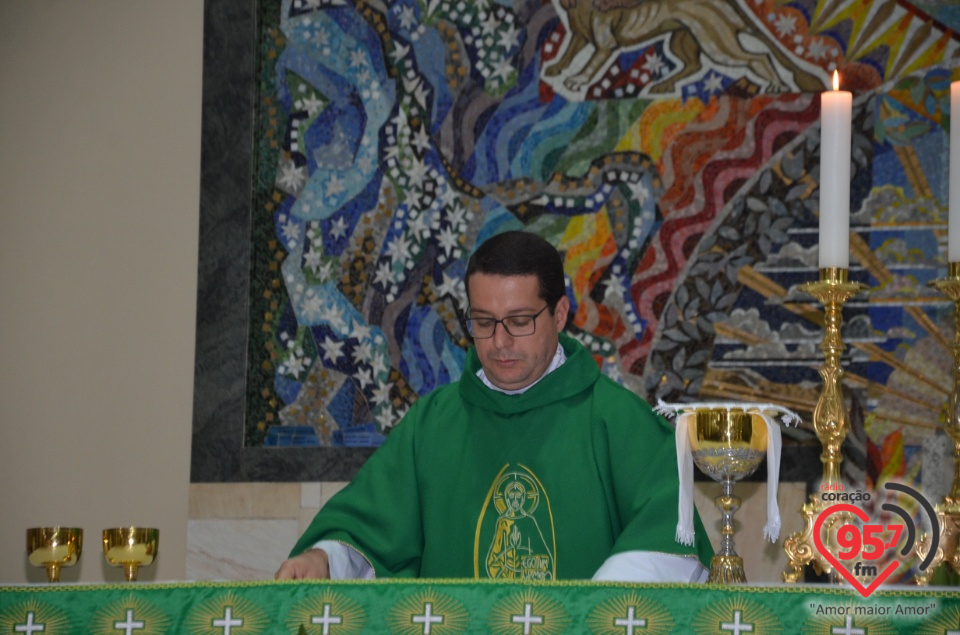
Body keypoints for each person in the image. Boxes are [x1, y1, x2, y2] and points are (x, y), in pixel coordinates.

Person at [275, 230, 713, 581]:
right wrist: (326, 558)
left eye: (519, 322)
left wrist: (586, 614)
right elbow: (368, 526)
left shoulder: (618, 422)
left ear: (559, 316)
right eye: (483, 323)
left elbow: (669, 538)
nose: (499, 342)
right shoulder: (434, 423)